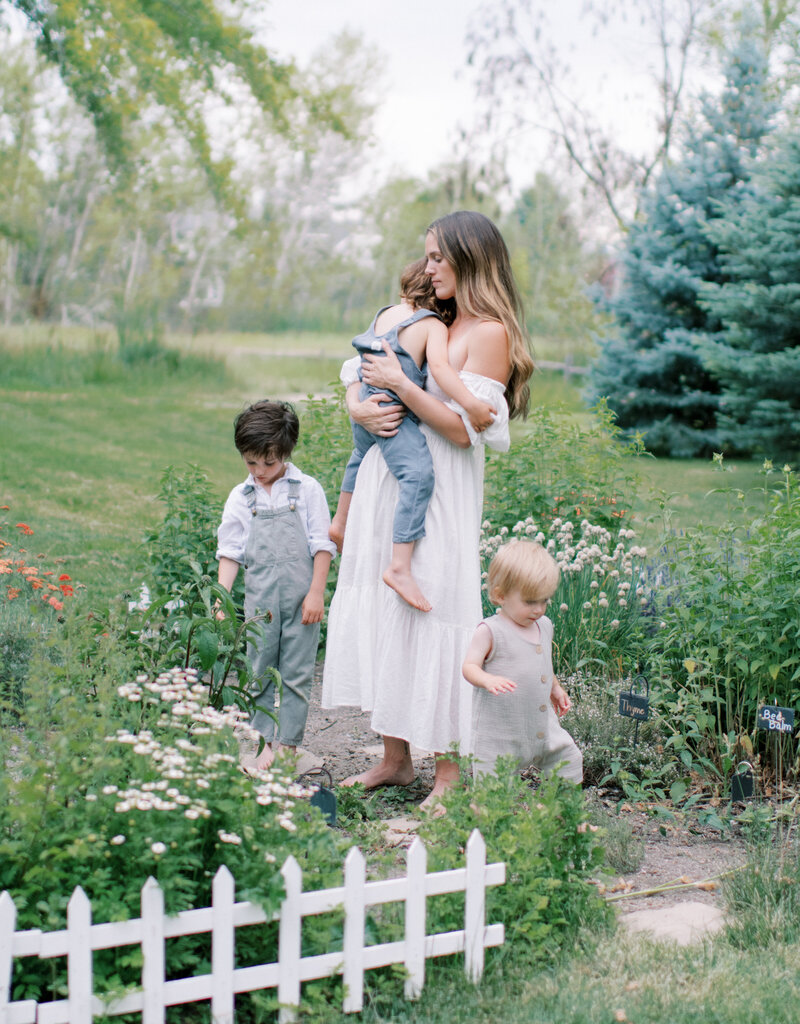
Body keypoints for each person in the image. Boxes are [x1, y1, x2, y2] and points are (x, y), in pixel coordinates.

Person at [322, 210, 535, 807]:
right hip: (388, 482)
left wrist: (405, 387)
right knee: (390, 612)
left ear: (471, 260)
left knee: (438, 612)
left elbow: (465, 429)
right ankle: (395, 758)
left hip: (438, 494)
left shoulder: (488, 332)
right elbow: (359, 369)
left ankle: (448, 770)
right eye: (428, 256)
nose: (429, 266)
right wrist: (357, 408)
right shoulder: (432, 317)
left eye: (440, 257)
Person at [329, 258, 497, 612]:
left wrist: (356, 406)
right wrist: (472, 404)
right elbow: (439, 369)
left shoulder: (383, 314)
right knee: (418, 474)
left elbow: (355, 367)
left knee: (358, 458)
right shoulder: (432, 324)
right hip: (391, 415)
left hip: (366, 408)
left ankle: (339, 522)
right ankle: (400, 565)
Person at [216, 400, 336, 770]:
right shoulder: (242, 497)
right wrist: (222, 599)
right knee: (257, 669)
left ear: (286, 453)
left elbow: (322, 544)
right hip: (261, 603)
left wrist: (316, 592)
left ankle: (288, 743)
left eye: (269, 463)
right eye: (251, 463)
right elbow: (231, 551)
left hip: (303, 602)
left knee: (297, 674)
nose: (260, 471)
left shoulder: (307, 490)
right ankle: (262, 742)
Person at [462, 539, 583, 783]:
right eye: (530, 601)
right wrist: (487, 679)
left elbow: (543, 665)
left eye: (545, 600)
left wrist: (555, 688)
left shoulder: (544, 626)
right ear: (500, 595)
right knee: (493, 783)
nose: (539, 609)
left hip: (540, 724)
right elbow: (469, 667)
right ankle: (487, 818)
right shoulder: (490, 631)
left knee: (569, 758)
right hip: (500, 731)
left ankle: (566, 813)